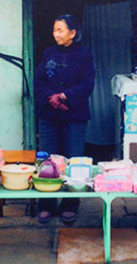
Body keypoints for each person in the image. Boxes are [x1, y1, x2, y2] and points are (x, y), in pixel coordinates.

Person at [33, 14, 95, 224]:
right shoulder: (48, 53)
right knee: (48, 161)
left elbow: (87, 84)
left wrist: (65, 97)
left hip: (74, 115)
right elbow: (39, 80)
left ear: (73, 33)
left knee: (73, 160)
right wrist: (50, 98)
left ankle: (70, 205)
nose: (56, 34)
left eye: (60, 30)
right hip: (49, 115)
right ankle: (46, 205)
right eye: (54, 30)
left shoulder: (84, 55)